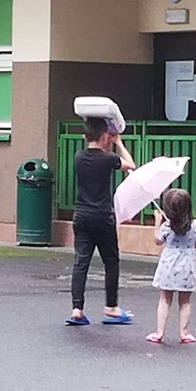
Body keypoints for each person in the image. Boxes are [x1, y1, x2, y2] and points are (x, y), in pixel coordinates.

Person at [67, 115, 136, 326]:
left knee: (81, 262)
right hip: (103, 217)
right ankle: (111, 307)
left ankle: (77, 309)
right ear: (106, 136)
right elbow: (131, 165)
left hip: (81, 216)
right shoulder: (107, 159)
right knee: (111, 261)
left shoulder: (79, 157)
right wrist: (119, 143)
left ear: (85, 136)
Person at [147, 187, 196, 346]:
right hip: (187, 266)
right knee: (185, 301)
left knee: (165, 298)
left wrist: (158, 223)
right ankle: (184, 333)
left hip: (169, 264)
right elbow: (195, 244)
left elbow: (158, 241)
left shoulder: (167, 227)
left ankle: (159, 332)